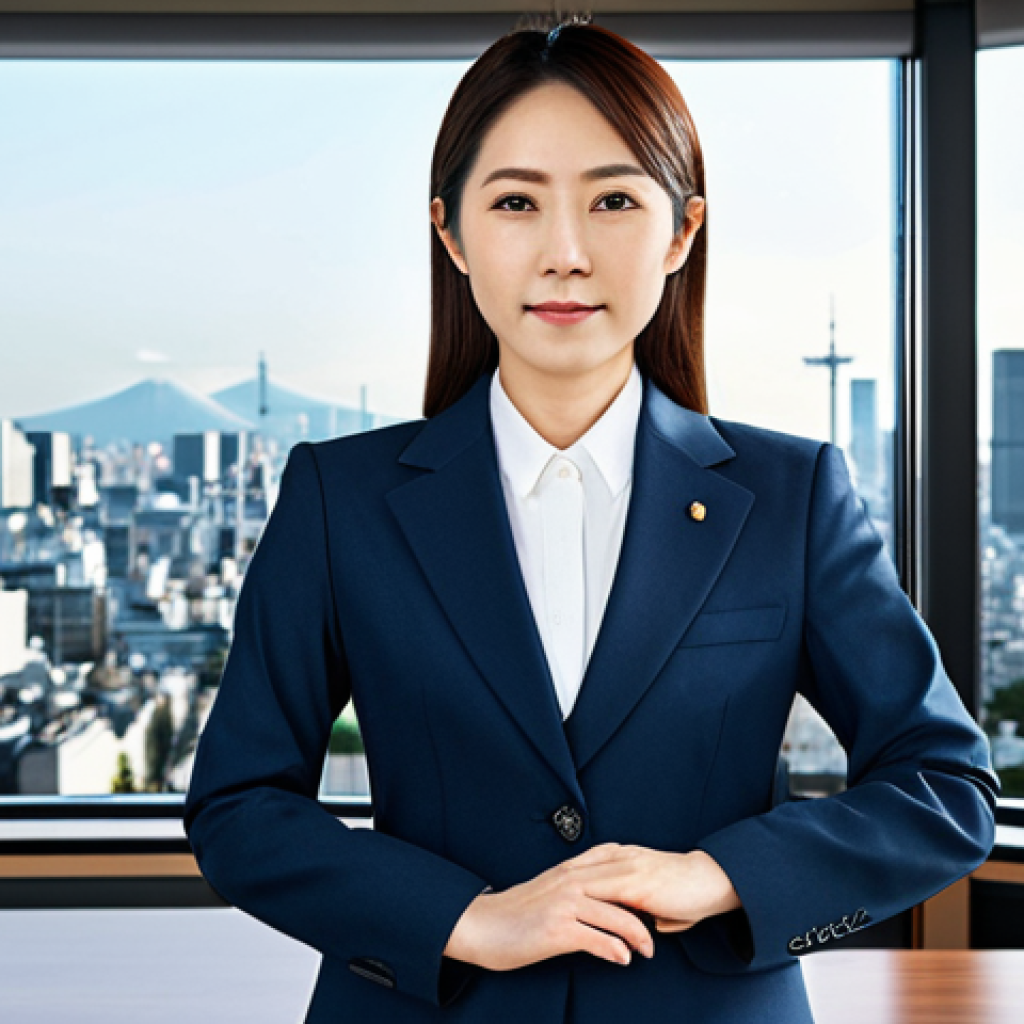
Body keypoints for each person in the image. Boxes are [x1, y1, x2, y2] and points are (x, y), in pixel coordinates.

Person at [183, 14, 1000, 1024]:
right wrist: (467, 918)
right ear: (451, 233)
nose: (565, 253)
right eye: (516, 202)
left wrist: (715, 873)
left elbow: (944, 787)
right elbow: (238, 805)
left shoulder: (792, 498)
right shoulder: (337, 498)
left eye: (613, 200)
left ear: (681, 231)